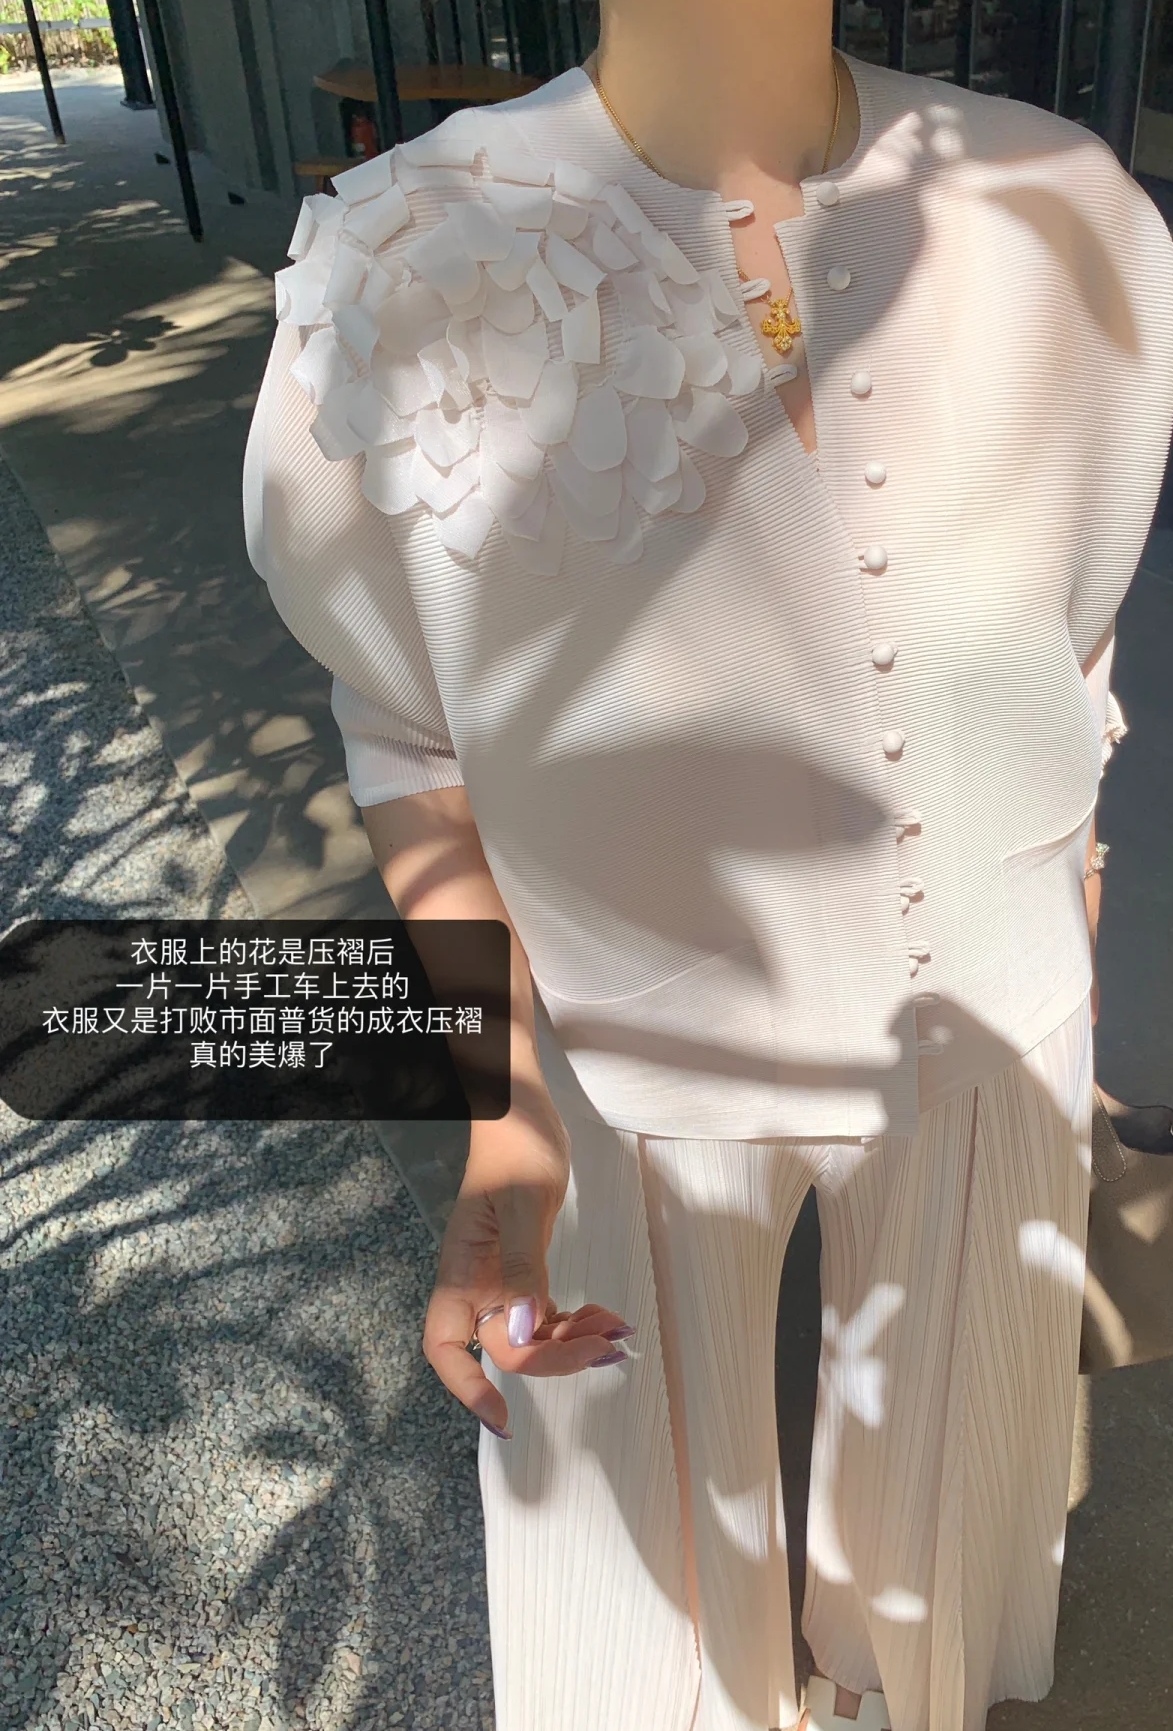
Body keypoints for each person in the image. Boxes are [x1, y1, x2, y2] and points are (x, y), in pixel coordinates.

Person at [242, 1, 1173, 1725]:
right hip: (624, 1065)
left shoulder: (1064, 206)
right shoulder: (400, 258)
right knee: (628, 1600)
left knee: (946, 1547)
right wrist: (504, 1134)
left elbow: (1071, 651)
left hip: (998, 1029)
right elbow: (412, 743)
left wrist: (1077, 979)